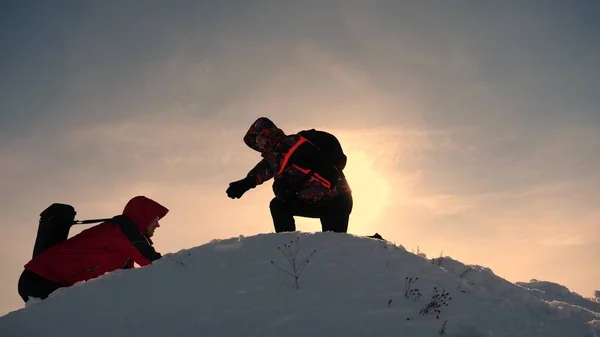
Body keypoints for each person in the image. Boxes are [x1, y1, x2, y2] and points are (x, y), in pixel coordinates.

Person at [17, 195, 168, 302]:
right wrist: (183, 269)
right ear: (144, 216)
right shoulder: (122, 229)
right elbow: (153, 261)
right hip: (39, 279)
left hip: (50, 282)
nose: (158, 224)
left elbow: (127, 280)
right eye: (155, 219)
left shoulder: (124, 243)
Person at [226, 117, 353, 233]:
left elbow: (268, 166)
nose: (260, 145)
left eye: (260, 139)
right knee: (278, 205)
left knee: (334, 246)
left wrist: (247, 182)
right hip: (317, 203)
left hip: (337, 200)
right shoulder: (282, 166)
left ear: (268, 133)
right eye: (257, 143)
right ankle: (288, 245)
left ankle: (363, 249)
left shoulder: (290, 143)